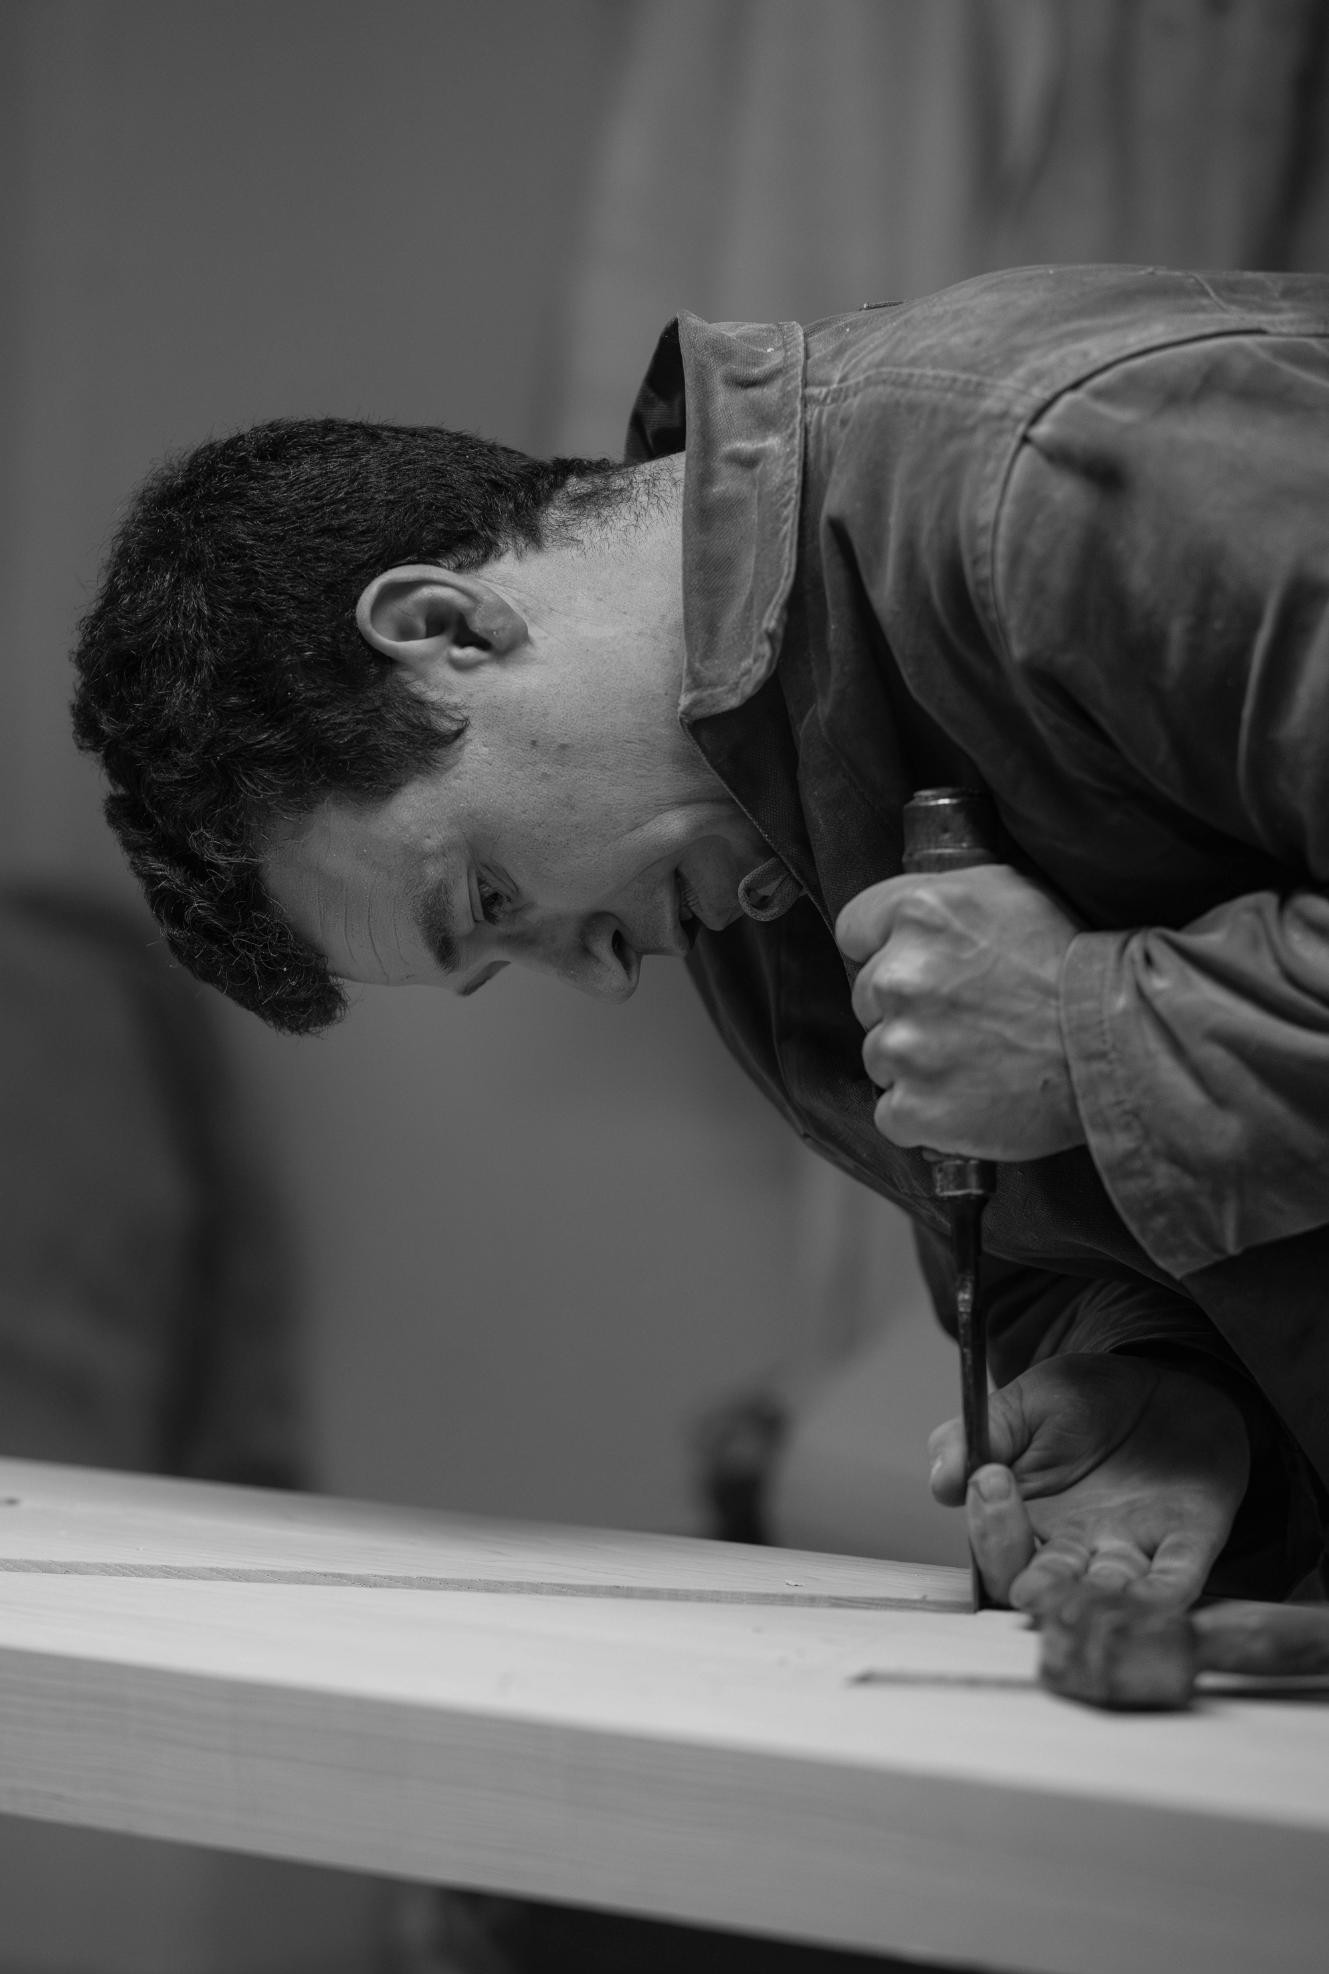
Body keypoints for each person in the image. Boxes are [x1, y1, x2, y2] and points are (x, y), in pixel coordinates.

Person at [71, 263, 1329, 1609]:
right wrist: (1171, 1391)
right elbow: (1065, 1249)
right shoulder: (739, 877)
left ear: (447, 628)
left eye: (492, 899)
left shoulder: (1040, 463)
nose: (603, 975)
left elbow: (1092, 1067)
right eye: (502, 961)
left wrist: (1093, 1038)